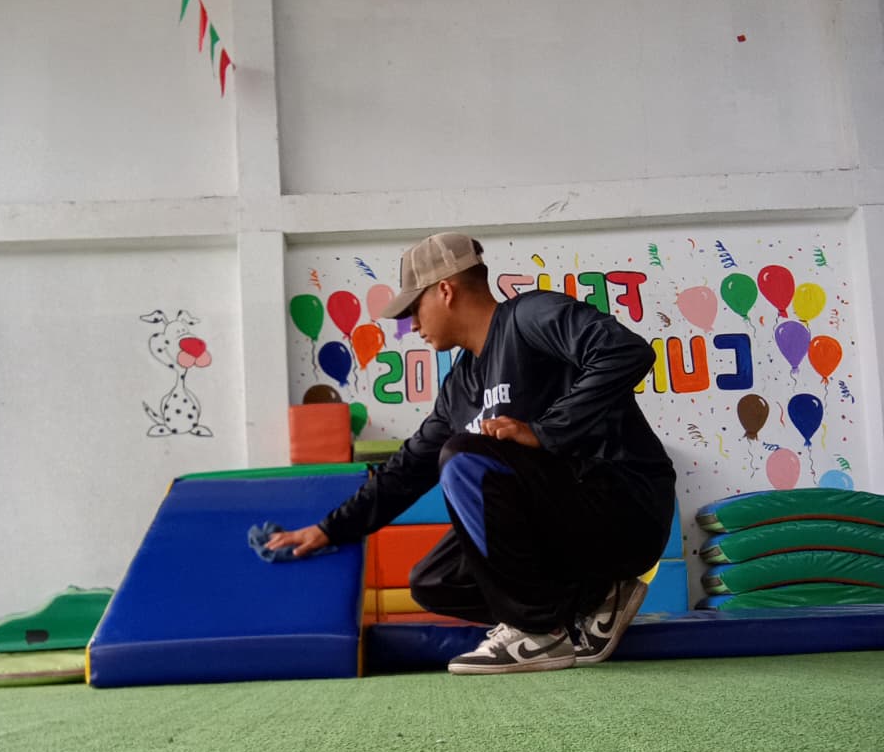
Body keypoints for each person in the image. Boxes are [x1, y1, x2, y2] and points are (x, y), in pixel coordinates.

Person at [269, 232, 676, 674]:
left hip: (626, 509)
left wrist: (546, 432)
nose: (411, 325)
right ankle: (595, 598)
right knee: (435, 581)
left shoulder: (530, 316)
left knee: (464, 456)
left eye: (414, 309)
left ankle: (536, 631)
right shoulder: (459, 390)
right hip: (570, 536)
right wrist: (329, 530)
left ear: (445, 290)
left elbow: (625, 351)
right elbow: (405, 471)